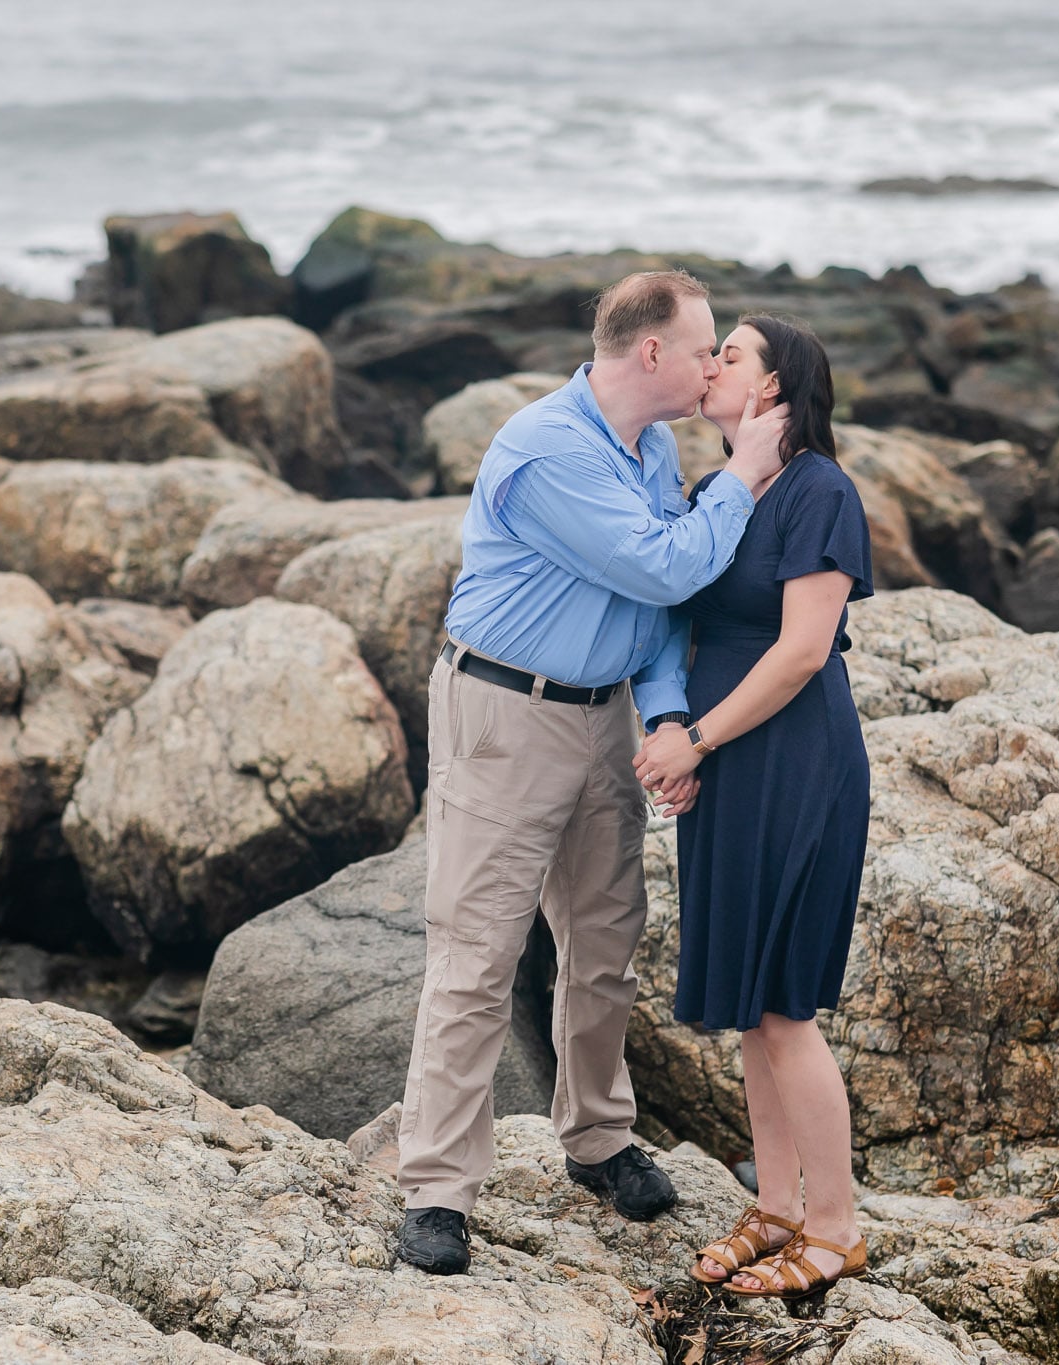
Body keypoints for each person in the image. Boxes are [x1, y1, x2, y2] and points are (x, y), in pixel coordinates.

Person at [394, 270, 789, 1276]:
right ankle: (437, 1189)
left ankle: (598, 1138)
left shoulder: (650, 444)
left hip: (604, 715)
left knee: (605, 940)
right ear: (651, 353)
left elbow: (654, 618)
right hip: (503, 713)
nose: (713, 367)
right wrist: (743, 473)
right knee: (477, 954)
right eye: (704, 349)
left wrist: (662, 713)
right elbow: (663, 568)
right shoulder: (546, 448)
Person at [631, 314, 875, 1300]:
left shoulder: (820, 489)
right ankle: (774, 1205)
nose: (708, 364)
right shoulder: (717, 492)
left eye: (728, 354)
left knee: (782, 1007)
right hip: (729, 756)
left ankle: (835, 1225)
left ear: (772, 389)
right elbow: (678, 621)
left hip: (795, 757)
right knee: (744, 1005)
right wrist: (676, 729)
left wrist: (699, 737)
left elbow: (801, 650)